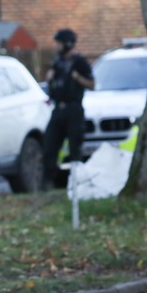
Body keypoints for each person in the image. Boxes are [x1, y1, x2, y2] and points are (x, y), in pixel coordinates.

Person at [42, 28, 95, 189]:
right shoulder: (57, 62)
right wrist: (49, 79)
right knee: (49, 146)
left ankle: (76, 184)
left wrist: (78, 78)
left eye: (59, 43)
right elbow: (52, 85)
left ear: (68, 43)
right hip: (58, 109)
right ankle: (49, 183)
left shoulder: (80, 62)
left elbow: (92, 84)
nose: (57, 46)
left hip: (74, 109)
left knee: (74, 147)